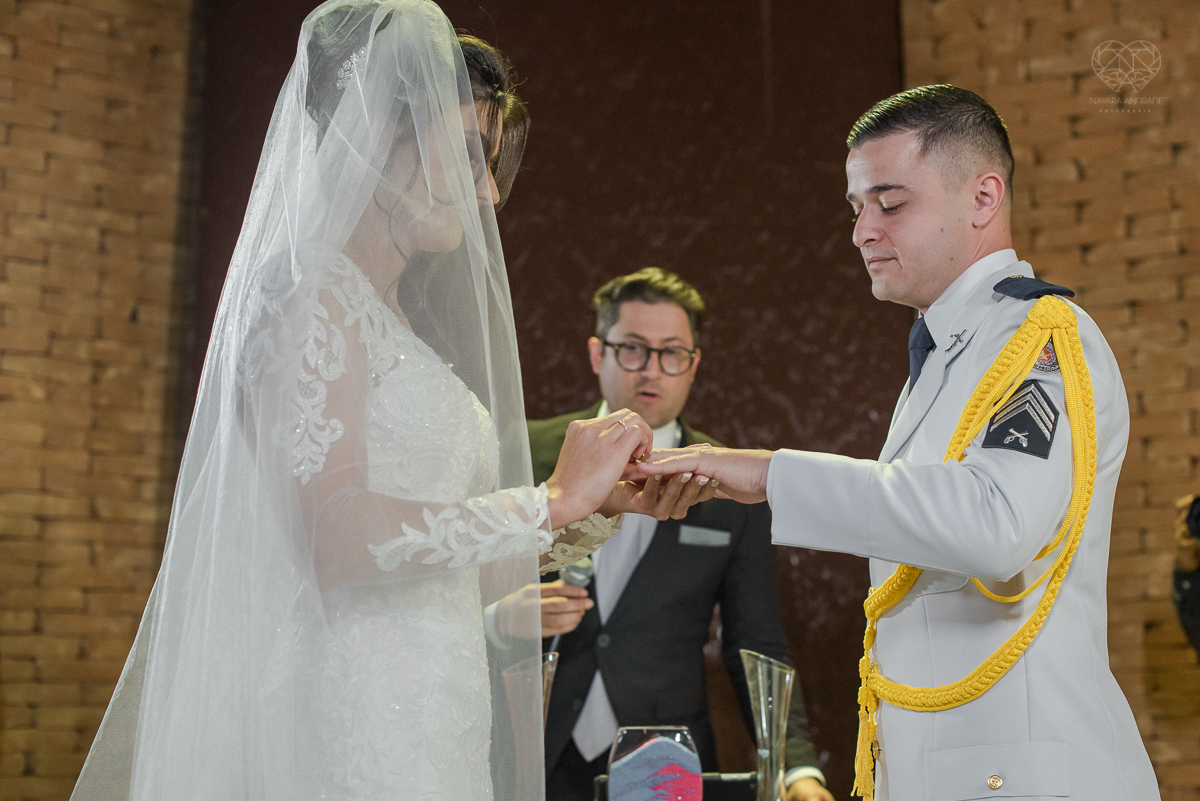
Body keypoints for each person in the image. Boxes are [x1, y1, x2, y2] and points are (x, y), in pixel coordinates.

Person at [68, 4, 708, 800]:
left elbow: (443, 574)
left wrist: (587, 517)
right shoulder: (304, 298)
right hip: (344, 709)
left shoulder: (392, 318)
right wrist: (544, 497)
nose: (488, 194)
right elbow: (332, 539)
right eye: (470, 155)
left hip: (433, 710)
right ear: (376, 133)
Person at [636, 86, 1161, 800]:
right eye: (857, 208)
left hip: (1022, 774)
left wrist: (770, 473)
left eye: (891, 203)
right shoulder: (948, 353)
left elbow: (995, 524)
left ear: (982, 198)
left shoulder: (1041, 339)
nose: (862, 232)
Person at [529, 268, 833, 801]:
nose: (652, 370)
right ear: (598, 354)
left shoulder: (730, 483)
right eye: (633, 350)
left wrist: (796, 770)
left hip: (665, 761)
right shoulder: (528, 451)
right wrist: (500, 615)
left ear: (693, 366)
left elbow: (756, 643)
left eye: (672, 353)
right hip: (533, 744)